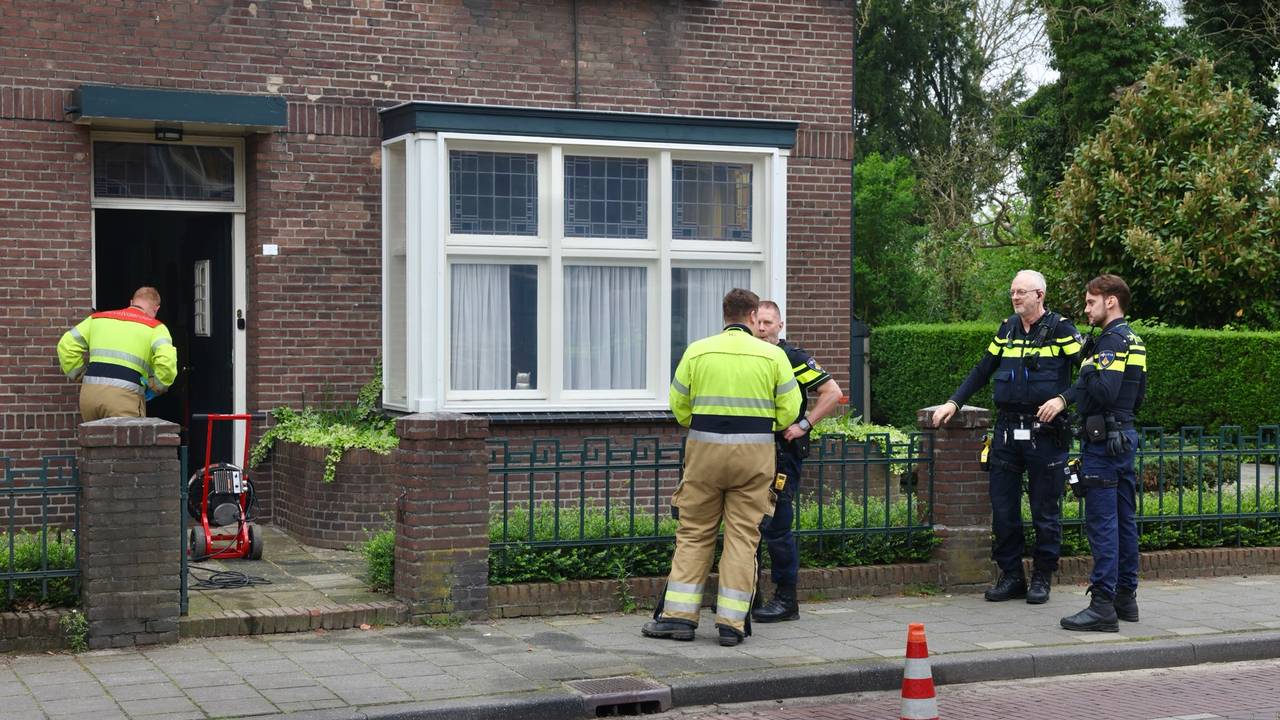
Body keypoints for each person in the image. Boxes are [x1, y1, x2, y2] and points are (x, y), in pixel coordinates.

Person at [643, 288, 801, 647]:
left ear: (724, 315)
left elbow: (679, 406)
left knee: (695, 532)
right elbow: (790, 411)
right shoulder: (773, 355)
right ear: (751, 317)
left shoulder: (697, 351)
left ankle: (679, 619)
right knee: (743, 538)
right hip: (754, 456)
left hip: (704, 455)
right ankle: (731, 625)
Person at [931, 270, 1082, 605]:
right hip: (1007, 431)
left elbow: (1089, 374)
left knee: (1045, 510)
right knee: (1003, 510)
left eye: (1022, 292)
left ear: (1040, 295)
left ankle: (1042, 576)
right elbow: (983, 369)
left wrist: (1062, 400)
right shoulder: (1007, 329)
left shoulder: (1062, 330)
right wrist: (954, 402)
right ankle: (1012, 576)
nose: (1015, 298)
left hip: (1046, 434)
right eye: (1013, 292)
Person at [1037, 274, 1146, 632]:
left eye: (1090, 302)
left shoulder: (1111, 341)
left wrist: (1085, 368)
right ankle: (1125, 599)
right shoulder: (1135, 339)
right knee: (1124, 521)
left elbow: (1103, 391)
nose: (1086, 309)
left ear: (1110, 301)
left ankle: (1102, 605)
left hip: (1103, 443)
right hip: (1124, 436)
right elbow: (1137, 394)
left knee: (1102, 524)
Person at [749, 300, 842, 623]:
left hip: (783, 453)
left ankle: (786, 600)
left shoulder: (793, 357)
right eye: (758, 322)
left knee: (777, 525)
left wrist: (804, 424)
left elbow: (832, 392)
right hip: (754, 450)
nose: (762, 329)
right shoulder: (749, 355)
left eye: (768, 323)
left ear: (780, 326)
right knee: (749, 524)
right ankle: (749, 596)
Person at [57, 286, 178, 422]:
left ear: (132, 302)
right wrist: (156, 387)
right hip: (125, 397)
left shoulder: (98, 319)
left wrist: (80, 374)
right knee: (129, 442)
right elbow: (167, 362)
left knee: (93, 441)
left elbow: (66, 345)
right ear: (156, 309)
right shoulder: (156, 328)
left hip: (89, 397)